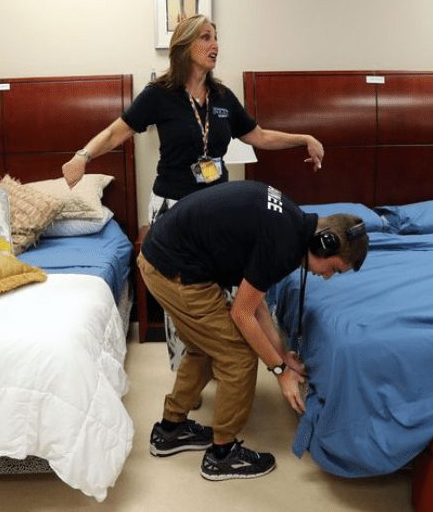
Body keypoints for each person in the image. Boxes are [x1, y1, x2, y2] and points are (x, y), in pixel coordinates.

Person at [62, 14, 324, 369]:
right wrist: (83, 155)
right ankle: (186, 368)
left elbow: (258, 136)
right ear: (185, 46)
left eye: (216, 38)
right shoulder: (160, 95)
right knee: (182, 294)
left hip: (218, 210)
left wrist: (303, 139)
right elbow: (116, 132)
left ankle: (223, 362)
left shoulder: (222, 97)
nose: (215, 45)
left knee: (227, 288)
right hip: (173, 207)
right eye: (206, 37)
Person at [137, 180, 368, 481]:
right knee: (238, 356)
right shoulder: (283, 243)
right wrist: (279, 371)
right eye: (334, 269)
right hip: (175, 270)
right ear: (324, 244)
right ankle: (223, 455)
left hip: (164, 258)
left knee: (206, 345)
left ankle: (170, 430)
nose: (327, 277)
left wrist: (282, 355)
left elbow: (256, 304)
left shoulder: (292, 223)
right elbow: (242, 314)